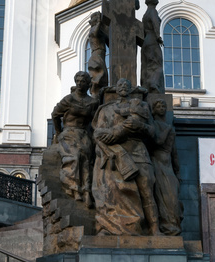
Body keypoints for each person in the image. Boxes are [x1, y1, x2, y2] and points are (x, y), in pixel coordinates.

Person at [92, 79, 159, 235]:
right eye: (120, 85)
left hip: (138, 151)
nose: (123, 87)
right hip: (116, 153)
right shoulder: (106, 110)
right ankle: (112, 227)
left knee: (147, 191)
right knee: (111, 189)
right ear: (116, 89)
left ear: (130, 89)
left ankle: (155, 229)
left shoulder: (141, 107)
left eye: (126, 85)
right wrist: (113, 136)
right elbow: (97, 133)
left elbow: (152, 132)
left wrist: (139, 126)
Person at [51, 71, 98, 206]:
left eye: (82, 81)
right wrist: (58, 132)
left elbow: (95, 121)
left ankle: (87, 191)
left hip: (83, 134)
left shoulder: (92, 102)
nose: (79, 84)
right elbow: (55, 115)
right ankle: (74, 189)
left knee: (87, 158)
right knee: (75, 156)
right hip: (69, 132)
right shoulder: (69, 99)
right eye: (77, 81)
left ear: (88, 84)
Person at [149, 94, 182, 235]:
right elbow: (158, 142)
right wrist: (168, 130)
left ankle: (173, 225)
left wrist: (177, 170)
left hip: (168, 166)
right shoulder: (154, 125)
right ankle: (166, 227)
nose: (162, 108)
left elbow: (174, 152)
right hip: (157, 164)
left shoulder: (170, 128)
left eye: (163, 106)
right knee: (162, 196)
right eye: (158, 106)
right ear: (154, 110)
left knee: (173, 197)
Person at [140, 0, 165, 95]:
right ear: (156, 1)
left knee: (148, 65)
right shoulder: (153, 12)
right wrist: (158, 37)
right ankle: (153, 83)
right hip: (152, 40)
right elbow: (155, 23)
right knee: (157, 65)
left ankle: (147, 85)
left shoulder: (145, 14)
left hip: (146, 41)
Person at [86, 12, 109, 97]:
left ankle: (100, 95)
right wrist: (99, 22)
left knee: (103, 77)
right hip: (96, 56)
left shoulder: (101, 32)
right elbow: (95, 33)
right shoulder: (93, 30)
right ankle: (96, 96)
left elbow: (109, 41)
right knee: (98, 78)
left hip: (100, 56)